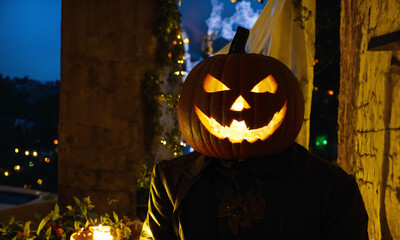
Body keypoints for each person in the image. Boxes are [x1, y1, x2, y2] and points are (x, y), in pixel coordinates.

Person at [140, 142, 368, 239]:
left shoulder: (331, 187)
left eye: (261, 91)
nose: (239, 105)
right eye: (219, 91)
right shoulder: (171, 179)